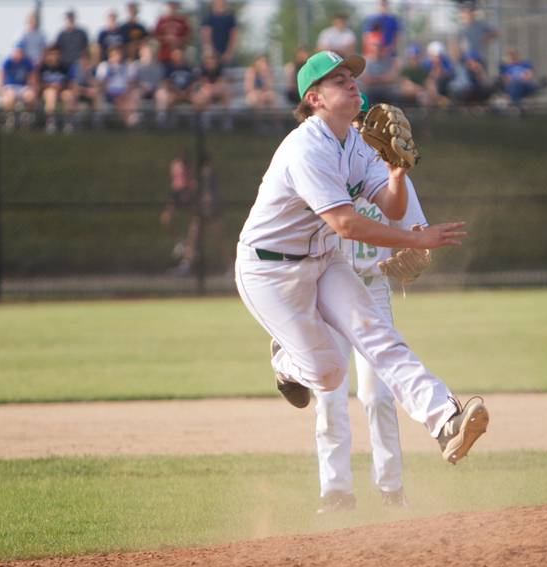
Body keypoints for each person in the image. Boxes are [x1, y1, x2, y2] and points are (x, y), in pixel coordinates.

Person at [234, 50, 490, 474]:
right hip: (269, 270)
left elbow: (389, 207)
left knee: (378, 335)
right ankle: (286, 362)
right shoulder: (305, 148)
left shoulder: (355, 143)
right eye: (339, 80)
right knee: (329, 373)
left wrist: (395, 176)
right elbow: (346, 224)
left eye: (352, 76)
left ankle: (446, 420)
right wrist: (415, 237)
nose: (352, 83)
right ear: (314, 99)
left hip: (323, 260)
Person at [312, 95, 428, 514]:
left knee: (377, 395)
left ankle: (392, 488)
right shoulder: (322, 169)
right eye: (359, 122)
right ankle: (336, 491)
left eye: (367, 122)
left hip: (373, 290)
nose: (364, 129)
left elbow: (416, 232)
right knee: (328, 396)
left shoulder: (392, 177)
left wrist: (410, 258)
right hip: (327, 288)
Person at [161, 149, 197, 265]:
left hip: (186, 192)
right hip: (175, 193)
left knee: (194, 221)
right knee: (166, 219)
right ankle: (180, 242)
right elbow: (173, 179)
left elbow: (191, 179)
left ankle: (190, 249)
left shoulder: (189, 167)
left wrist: (188, 192)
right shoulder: (175, 164)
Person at [96, 44, 140, 127]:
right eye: (115, 54)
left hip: (125, 93)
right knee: (121, 100)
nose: (118, 56)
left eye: (119, 53)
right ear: (110, 55)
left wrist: (126, 92)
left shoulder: (128, 66)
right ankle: (130, 122)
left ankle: (130, 122)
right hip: (110, 94)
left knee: (133, 95)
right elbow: (101, 84)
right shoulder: (104, 66)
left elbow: (131, 83)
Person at [36, 45, 75, 134]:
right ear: (48, 55)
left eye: (56, 54)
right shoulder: (42, 67)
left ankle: (68, 123)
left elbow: (70, 83)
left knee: (69, 95)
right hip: (47, 91)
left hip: (62, 90)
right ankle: (50, 122)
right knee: (51, 94)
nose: (54, 56)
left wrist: (60, 87)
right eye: (52, 54)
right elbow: (38, 83)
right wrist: (50, 86)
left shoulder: (65, 66)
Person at [155, 47, 197, 126]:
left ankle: (196, 123)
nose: (178, 57)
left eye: (179, 55)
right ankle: (169, 122)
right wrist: (178, 92)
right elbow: (166, 83)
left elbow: (193, 83)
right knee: (169, 100)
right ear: (172, 56)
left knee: (197, 99)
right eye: (175, 55)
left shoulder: (188, 68)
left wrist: (186, 92)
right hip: (174, 93)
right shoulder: (169, 68)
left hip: (187, 93)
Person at [0, 46, 37, 131]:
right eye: (17, 52)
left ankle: (27, 119)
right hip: (10, 85)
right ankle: (10, 119)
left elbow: (32, 77)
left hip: (23, 87)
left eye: (20, 52)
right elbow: (1, 75)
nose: (18, 54)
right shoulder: (7, 61)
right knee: (10, 96)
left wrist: (34, 89)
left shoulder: (27, 62)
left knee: (30, 96)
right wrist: (1, 89)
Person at [193, 51, 232, 130]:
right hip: (207, 92)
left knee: (226, 92)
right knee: (205, 92)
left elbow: (221, 82)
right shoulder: (202, 68)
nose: (211, 60)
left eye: (213, 58)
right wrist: (211, 88)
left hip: (217, 91)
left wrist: (214, 87)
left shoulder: (219, 68)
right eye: (209, 58)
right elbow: (203, 83)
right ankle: (205, 120)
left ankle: (227, 119)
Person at [360, 38, 402, 104]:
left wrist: (375, 79)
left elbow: (392, 78)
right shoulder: (366, 61)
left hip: (386, 90)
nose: (378, 49)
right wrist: (382, 78)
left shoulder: (389, 61)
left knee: (396, 96)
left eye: (380, 47)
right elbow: (365, 79)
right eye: (375, 46)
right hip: (370, 90)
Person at [201, 0, 238, 66]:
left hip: (226, 55)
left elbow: (233, 35)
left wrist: (229, 52)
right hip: (212, 55)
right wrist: (212, 52)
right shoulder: (208, 17)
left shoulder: (230, 18)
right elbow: (206, 35)